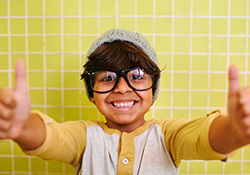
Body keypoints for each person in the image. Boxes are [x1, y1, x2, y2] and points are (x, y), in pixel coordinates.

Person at [0, 28, 250, 175]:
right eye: (108, 78)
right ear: (91, 91)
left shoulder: (168, 136)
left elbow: (202, 138)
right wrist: (21, 127)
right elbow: (52, 138)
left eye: (136, 77)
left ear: (153, 90)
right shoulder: (85, 137)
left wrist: (234, 131)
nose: (121, 88)